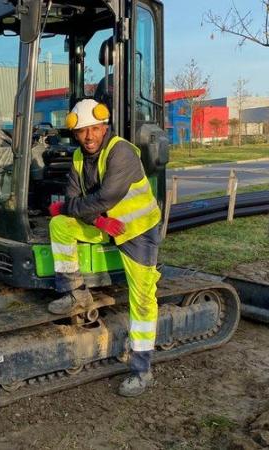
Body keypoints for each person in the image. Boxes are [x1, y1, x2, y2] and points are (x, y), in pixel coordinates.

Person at [47, 98, 162, 397]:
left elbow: (104, 197)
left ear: (104, 126)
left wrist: (77, 209)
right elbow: (73, 203)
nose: (89, 136)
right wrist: (97, 221)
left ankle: (142, 369)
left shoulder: (121, 151)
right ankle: (75, 292)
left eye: (95, 129)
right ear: (75, 133)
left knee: (143, 300)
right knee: (58, 225)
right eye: (83, 131)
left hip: (137, 231)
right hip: (106, 225)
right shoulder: (76, 159)